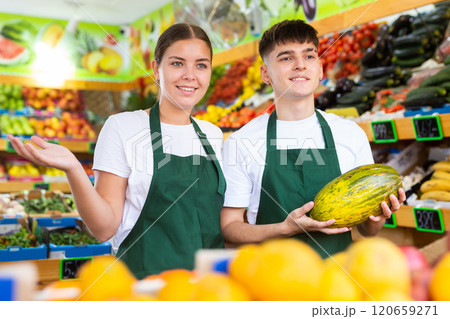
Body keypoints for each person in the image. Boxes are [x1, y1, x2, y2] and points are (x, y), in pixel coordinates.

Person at [7, 23, 226, 279]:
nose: (190, 75)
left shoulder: (212, 135)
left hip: (209, 289)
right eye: (177, 63)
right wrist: (74, 169)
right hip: (143, 287)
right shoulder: (123, 127)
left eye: (201, 65)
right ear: (156, 69)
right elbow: (103, 228)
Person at [220, 20, 406, 257]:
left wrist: (379, 217)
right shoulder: (241, 141)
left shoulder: (350, 134)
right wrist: (284, 229)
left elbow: (368, 231)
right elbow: (229, 228)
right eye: (286, 58)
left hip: (337, 284)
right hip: (270, 282)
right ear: (265, 74)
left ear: (320, 69)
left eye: (309, 56)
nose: (300, 65)